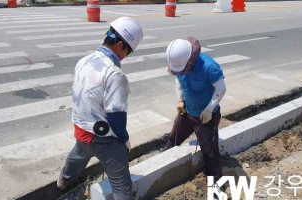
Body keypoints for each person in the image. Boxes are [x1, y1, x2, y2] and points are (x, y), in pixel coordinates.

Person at [57, 17, 144, 200]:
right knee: (121, 185)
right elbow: (116, 116)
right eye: (128, 52)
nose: (125, 57)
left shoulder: (84, 60)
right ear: (120, 45)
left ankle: (63, 182)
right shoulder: (115, 74)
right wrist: (124, 139)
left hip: (81, 130)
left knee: (78, 155)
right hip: (104, 139)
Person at [164, 37, 227, 182]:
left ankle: (215, 181)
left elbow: (221, 89)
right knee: (174, 137)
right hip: (186, 112)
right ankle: (165, 160)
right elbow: (178, 80)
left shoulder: (209, 67)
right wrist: (180, 100)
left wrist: (209, 109)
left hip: (206, 116)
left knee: (209, 150)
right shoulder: (179, 63)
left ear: (191, 60)